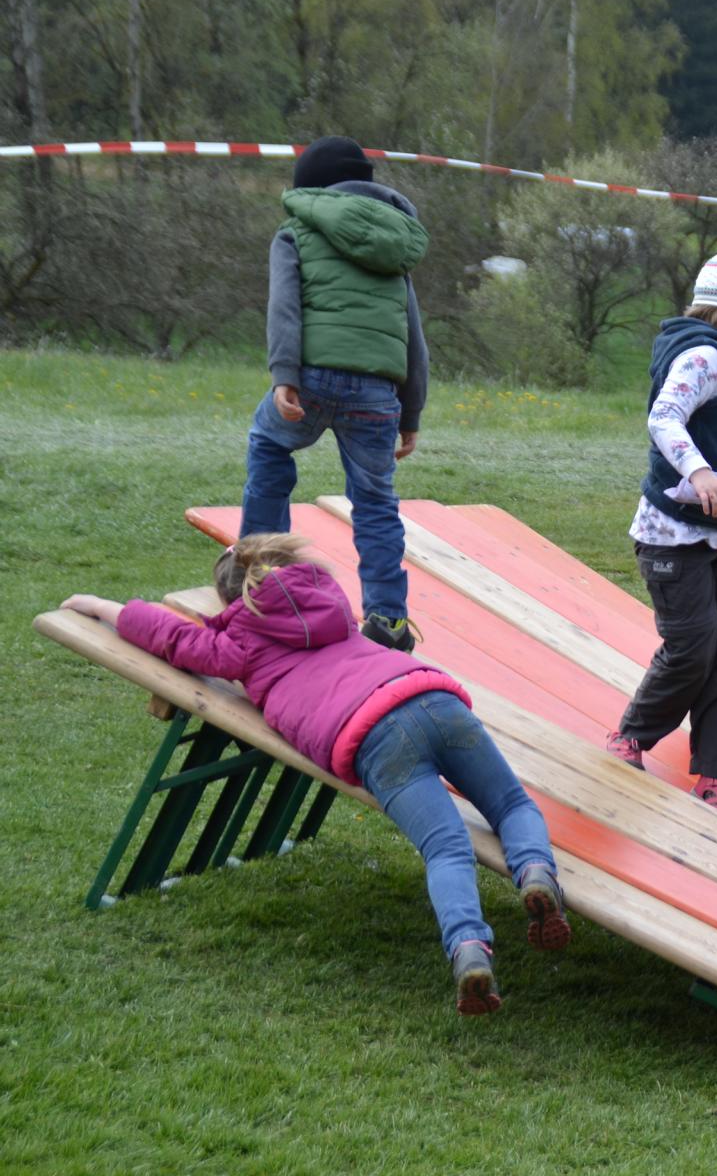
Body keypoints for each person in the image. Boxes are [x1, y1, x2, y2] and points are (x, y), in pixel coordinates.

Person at [61, 533, 569, 1018]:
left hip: (374, 736)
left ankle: (469, 948)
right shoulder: (330, 609)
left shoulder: (239, 642)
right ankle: (534, 873)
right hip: (431, 698)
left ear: (232, 599)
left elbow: (172, 638)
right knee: (511, 805)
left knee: (446, 848)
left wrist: (104, 607)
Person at [604, 252, 717, 822]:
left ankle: (714, 777)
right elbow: (664, 417)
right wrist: (699, 472)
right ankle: (632, 735)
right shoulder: (705, 356)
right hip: (674, 537)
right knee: (693, 648)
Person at [243, 134, 432, 653]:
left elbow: (284, 307)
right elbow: (413, 334)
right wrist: (411, 411)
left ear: (310, 187)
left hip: (312, 378)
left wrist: (284, 375)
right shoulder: (396, 243)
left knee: (269, 445)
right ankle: (389, 619)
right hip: (376, 393)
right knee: (375, 502)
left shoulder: (295, 231)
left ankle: (261, 581)